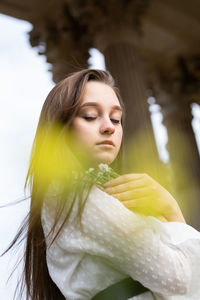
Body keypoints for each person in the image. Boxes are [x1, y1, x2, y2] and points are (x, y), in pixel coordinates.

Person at [6, 69, 200, 300]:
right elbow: (177, 279)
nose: (109, 127)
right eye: (89, 116)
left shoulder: (89, 195)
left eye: (116, 119)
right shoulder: (77, 197)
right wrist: (173, 211)